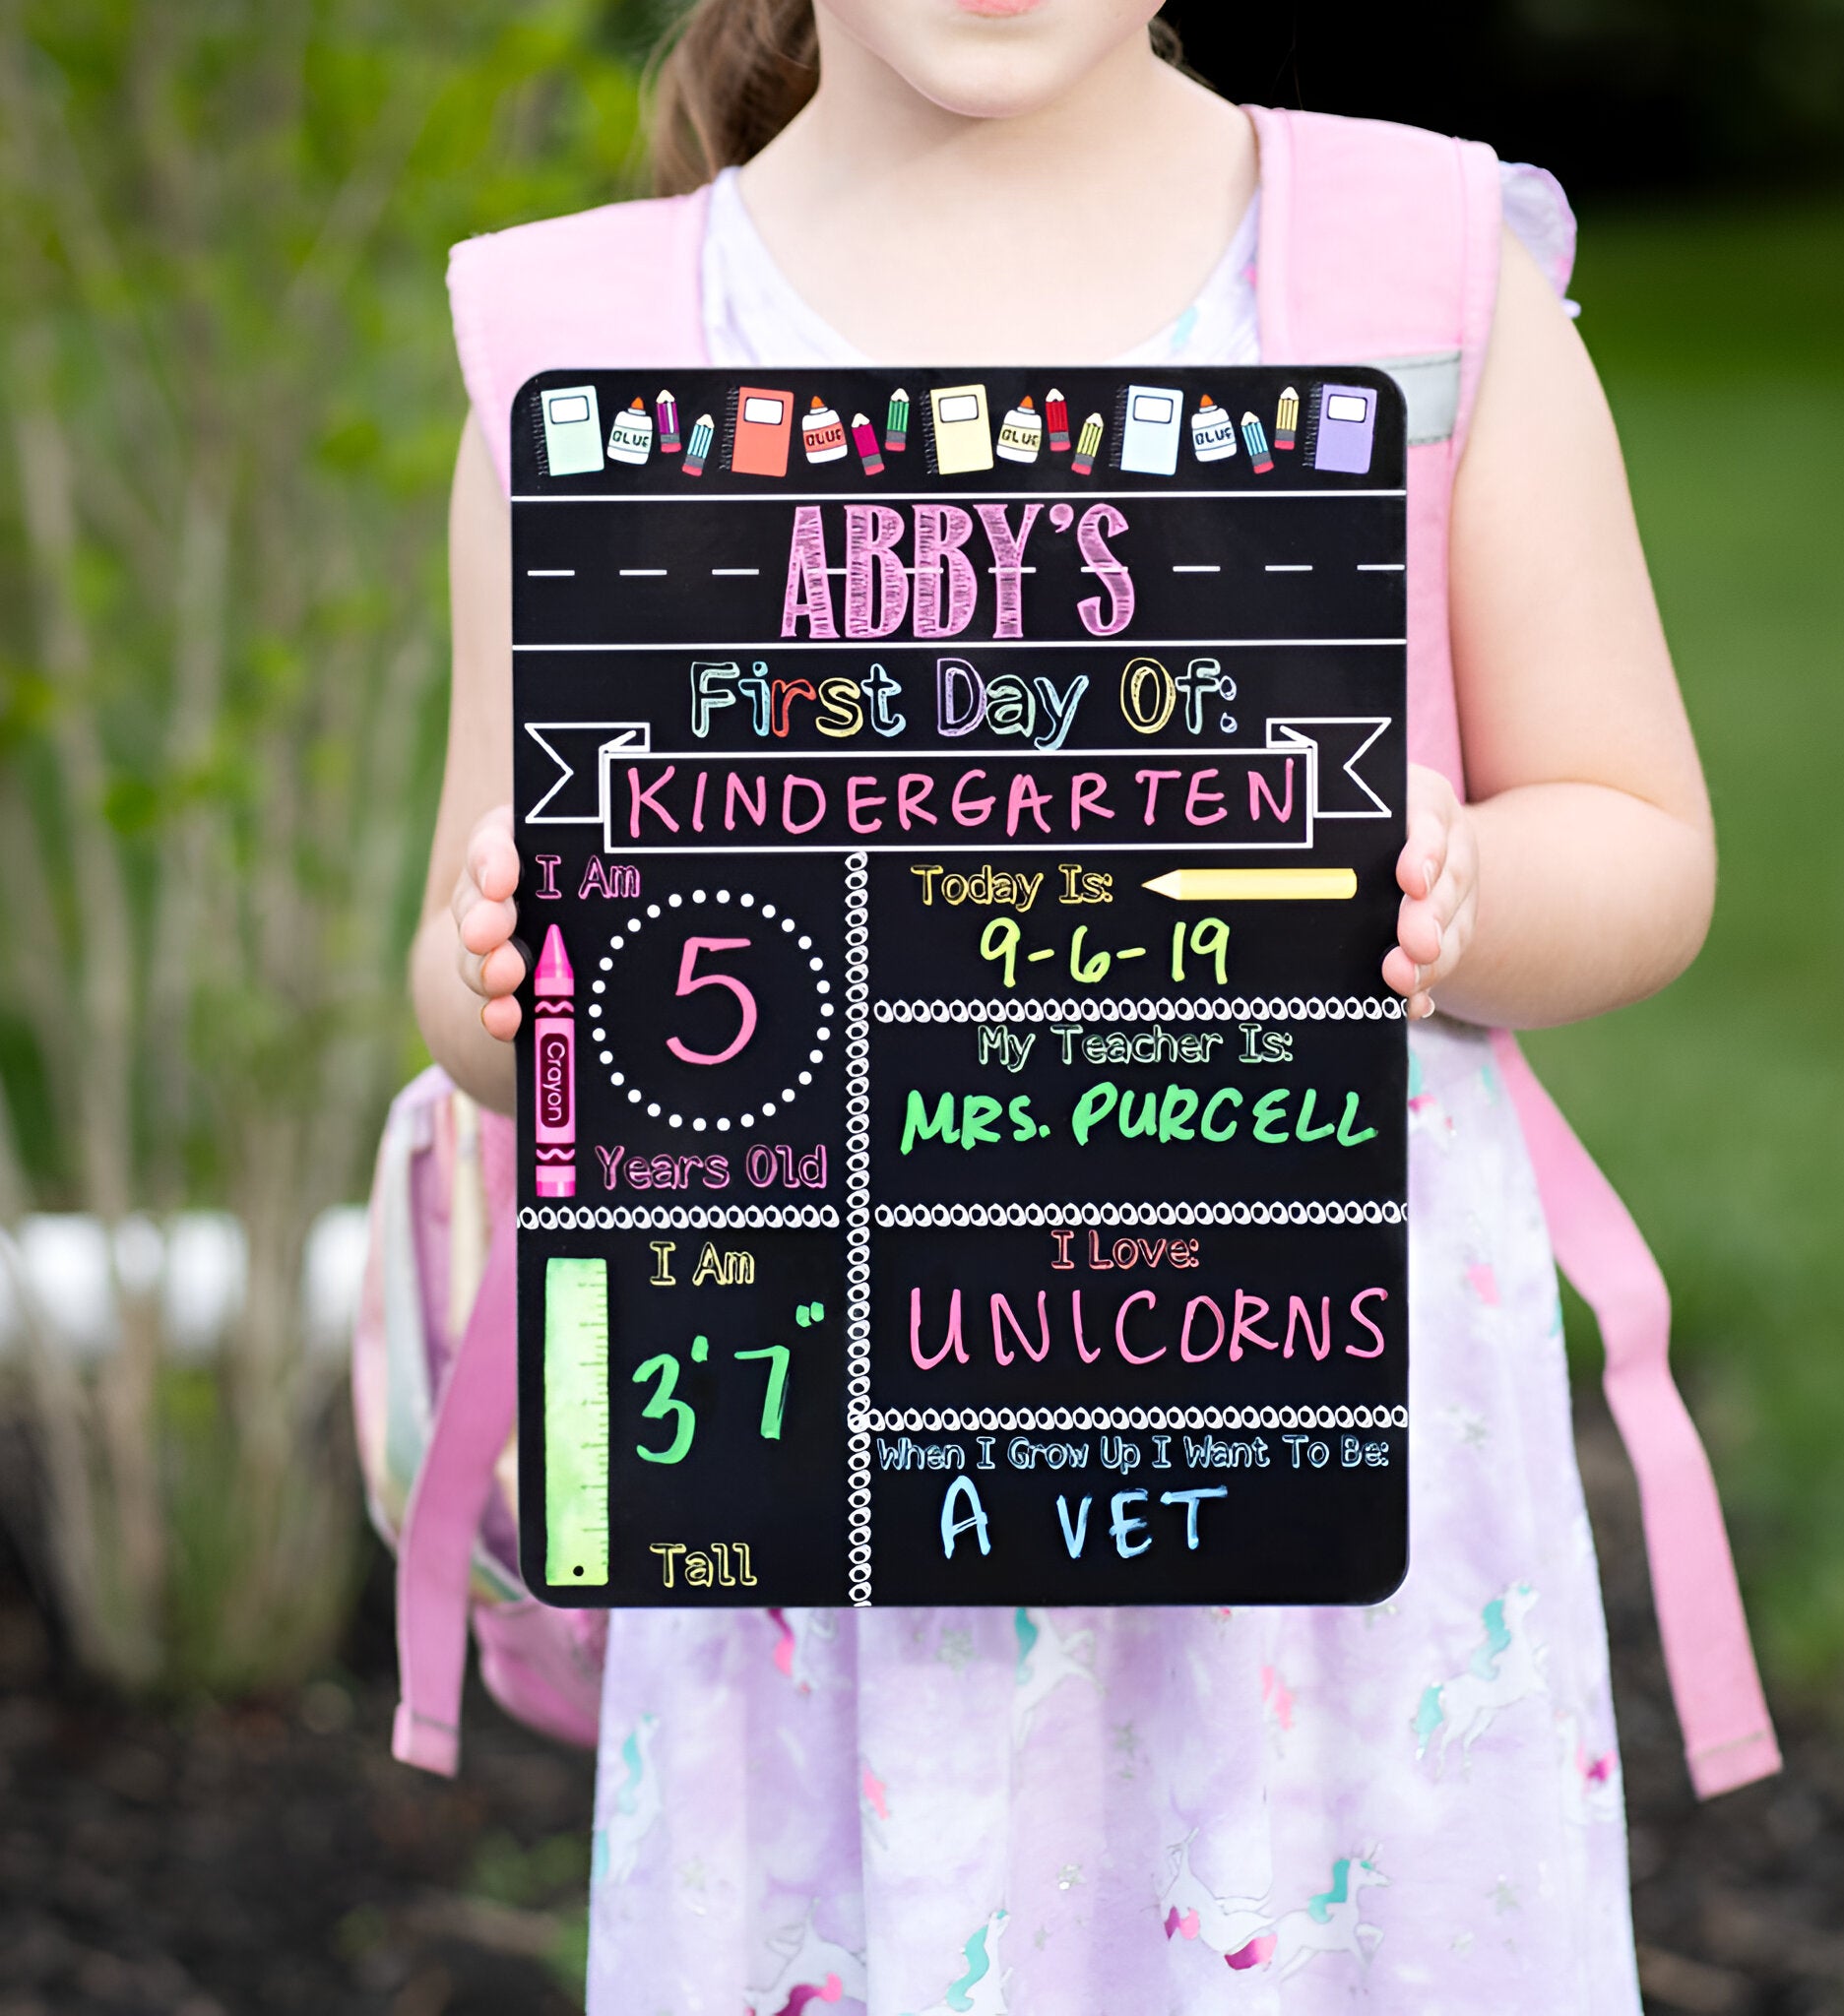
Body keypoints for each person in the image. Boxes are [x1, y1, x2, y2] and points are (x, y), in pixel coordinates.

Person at [413, 3, 1760, 2007]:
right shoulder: (594, 354)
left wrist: (1455, 886)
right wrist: (508, 968)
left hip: (1319, 1490)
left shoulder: (1418, 277)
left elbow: (1640, 840)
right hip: (823, 1534)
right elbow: (473, 987)